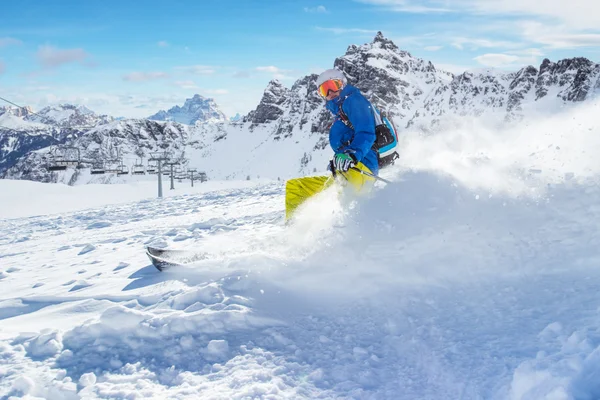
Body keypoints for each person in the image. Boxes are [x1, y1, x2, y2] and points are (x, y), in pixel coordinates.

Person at [285, 68, 378, 220]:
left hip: (362, 168)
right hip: (347, 171)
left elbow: (366, 132)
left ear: (342, 84)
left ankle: (346, 238)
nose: (330, 93)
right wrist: (338, 161)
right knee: (296, 188)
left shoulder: (354, 101)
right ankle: (295, 233)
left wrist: (351, 154)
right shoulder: (340, 114)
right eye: (324, 90)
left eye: (332, 86)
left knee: (343, 211)